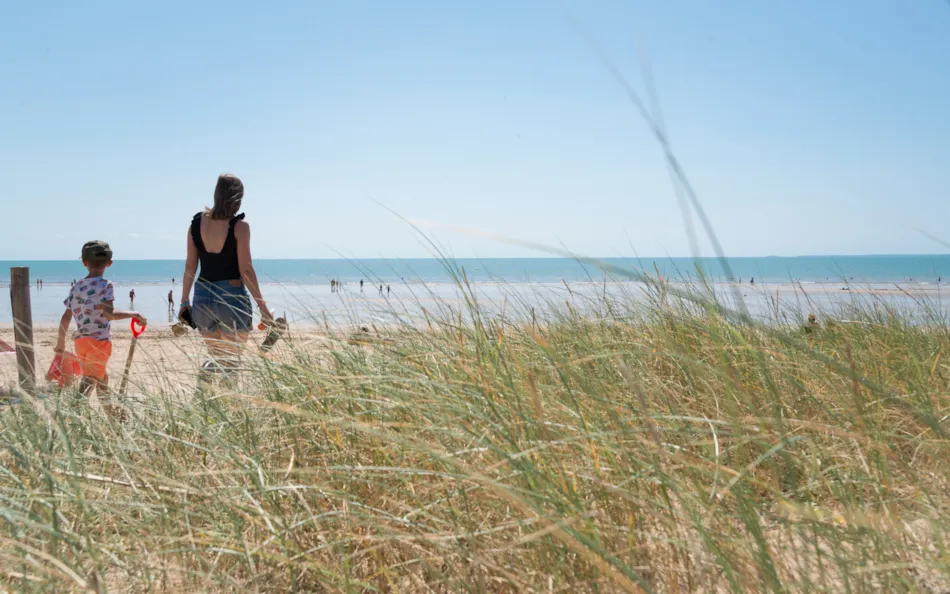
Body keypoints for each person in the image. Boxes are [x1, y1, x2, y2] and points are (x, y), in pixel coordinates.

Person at [179, 174, 272, 384]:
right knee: (232, 363)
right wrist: (263, 307)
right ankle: (228, 406)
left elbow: (190, 265)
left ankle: (207, 379)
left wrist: (185, 301)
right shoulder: (240, 226)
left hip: (202, 297)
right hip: (232, 298)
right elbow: (246, 270)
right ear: (238, 198)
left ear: (216, 194)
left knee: (217, 357)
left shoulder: (196, 223)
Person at [55, 241, 146, 416]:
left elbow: (66, 316)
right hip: (99, 341)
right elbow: (109, 314)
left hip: (80, 341)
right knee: (91, 378)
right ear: (109, 263)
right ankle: (74, 412)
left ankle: (110, 413)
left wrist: (60, 343)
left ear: (84, 262)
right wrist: (133, 313)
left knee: (102, 378)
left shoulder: (77, 286)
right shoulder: (105, 285)